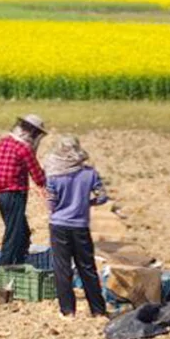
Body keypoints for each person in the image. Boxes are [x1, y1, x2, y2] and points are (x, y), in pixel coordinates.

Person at [45, 135, 108, 318]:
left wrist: (55, 207)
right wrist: (87, 203)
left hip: (59, 225)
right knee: (87, 268)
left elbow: (51, 204)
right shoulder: (90, 173)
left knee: (62, 268)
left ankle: (68, 311)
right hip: (81, 226)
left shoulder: (55, 175)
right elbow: (102, 197)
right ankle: (98, 310)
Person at [0, 114, 48, 267]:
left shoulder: (1, 143)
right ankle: (5, 268)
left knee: (23, 232)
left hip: (1, 194)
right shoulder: (24, 148)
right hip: (15, 194)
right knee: (13, 234)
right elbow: (38, 176)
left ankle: (20, 262)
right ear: (33, 133)